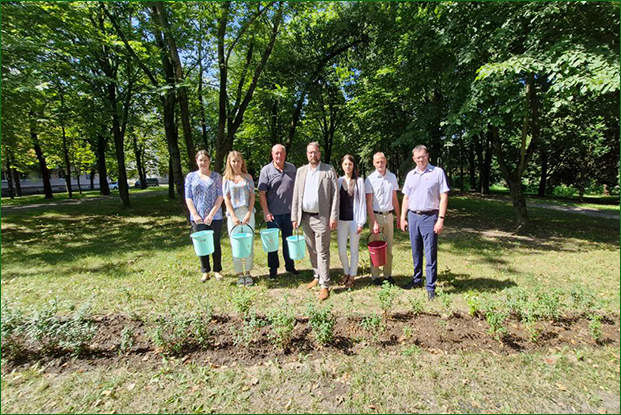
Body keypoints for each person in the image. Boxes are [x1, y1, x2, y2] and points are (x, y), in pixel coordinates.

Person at [400, 145, 449, 300]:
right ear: (413, 159)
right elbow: (406, 197)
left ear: (427, 155)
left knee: (430, 253)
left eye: (422, 156)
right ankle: (416, 280)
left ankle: (430, 287)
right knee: (416, 251)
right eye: (417, 157)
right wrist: (402, 217)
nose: (420, 160)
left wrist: (440, 219)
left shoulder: (437, 172)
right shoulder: (410, 175)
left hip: (430, 217)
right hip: (413, 216)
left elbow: (444, 196)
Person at [291, 142, 339, 301]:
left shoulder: (328, 170)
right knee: (311, 249)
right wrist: (294, 216)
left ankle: (325, 285)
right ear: (307, 154)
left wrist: (333, 216)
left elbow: (335, 196)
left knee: (322, 251)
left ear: (320, 153)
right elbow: (296, 195)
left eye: (315, 152)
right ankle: (317, 275)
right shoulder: (301, 171)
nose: (313, 155)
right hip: (305, 217)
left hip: (322, 217)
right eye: (310, 152)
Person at [257, 144, 299, 279]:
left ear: (285, 154)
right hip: (273, 214)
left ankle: (290, 267)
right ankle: (273, 270)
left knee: (289, 241)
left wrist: (297, 211)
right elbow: (262, 193)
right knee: (272, 243)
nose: (278, 156)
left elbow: (297, 190)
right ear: (272, 154)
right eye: (276, 153)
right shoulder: (266, 170)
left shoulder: (292, 168)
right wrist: (266, 212)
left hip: (289, 213)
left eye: (281, 153)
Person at [185, 150, 224, 282]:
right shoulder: (190, 177)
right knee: (201, 245)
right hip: (198, 218)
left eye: (205, 160)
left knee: (215, 243)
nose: (203, 163)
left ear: (209, 161)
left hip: (215, 216)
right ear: (197, 161)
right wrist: (195, 214)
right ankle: (205, 271)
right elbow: (188, 197)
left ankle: (217, 270)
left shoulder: (216, 176)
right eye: (200, 160)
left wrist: (212, 214)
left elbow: (220, 196)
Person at [365, 152, 401, 286]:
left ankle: (388, 275)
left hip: (389, 216)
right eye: (377, 162)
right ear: (374, 163)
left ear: (386, 161)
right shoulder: (369, 179)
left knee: (388, 248)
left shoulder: (392, 177)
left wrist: (398, 217)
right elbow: (368, 203)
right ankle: (375, 276)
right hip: (376, 217)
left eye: (382, 161)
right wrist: (373, 222)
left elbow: (394, 198)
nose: (380, 164)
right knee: (375, 248)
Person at [223, 151, 256, 286]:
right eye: (233, 161)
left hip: (248, 214)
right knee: (235, 245)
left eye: (238, 161)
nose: (236, 163)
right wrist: (233, 216)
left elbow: (252, 196)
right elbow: (227, 198)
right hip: (233, 216)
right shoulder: (226, 178)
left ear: (242, 162)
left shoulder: (248, 177)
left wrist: (249, 213)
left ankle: (248, 273)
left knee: (249, 244)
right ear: (229, 163)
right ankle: (239, 274)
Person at [337, 155, 366, 289]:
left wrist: (361, 222)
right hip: (341, 221)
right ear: (342, 166)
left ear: (353, 165)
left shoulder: (359, 182)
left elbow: (363, 203)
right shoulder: (338, 181)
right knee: (342, 250)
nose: (348, 167)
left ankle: (353, 276)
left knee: (354, 249)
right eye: (345, 164)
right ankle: (346, 272)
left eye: (350, 164)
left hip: (355, 221)